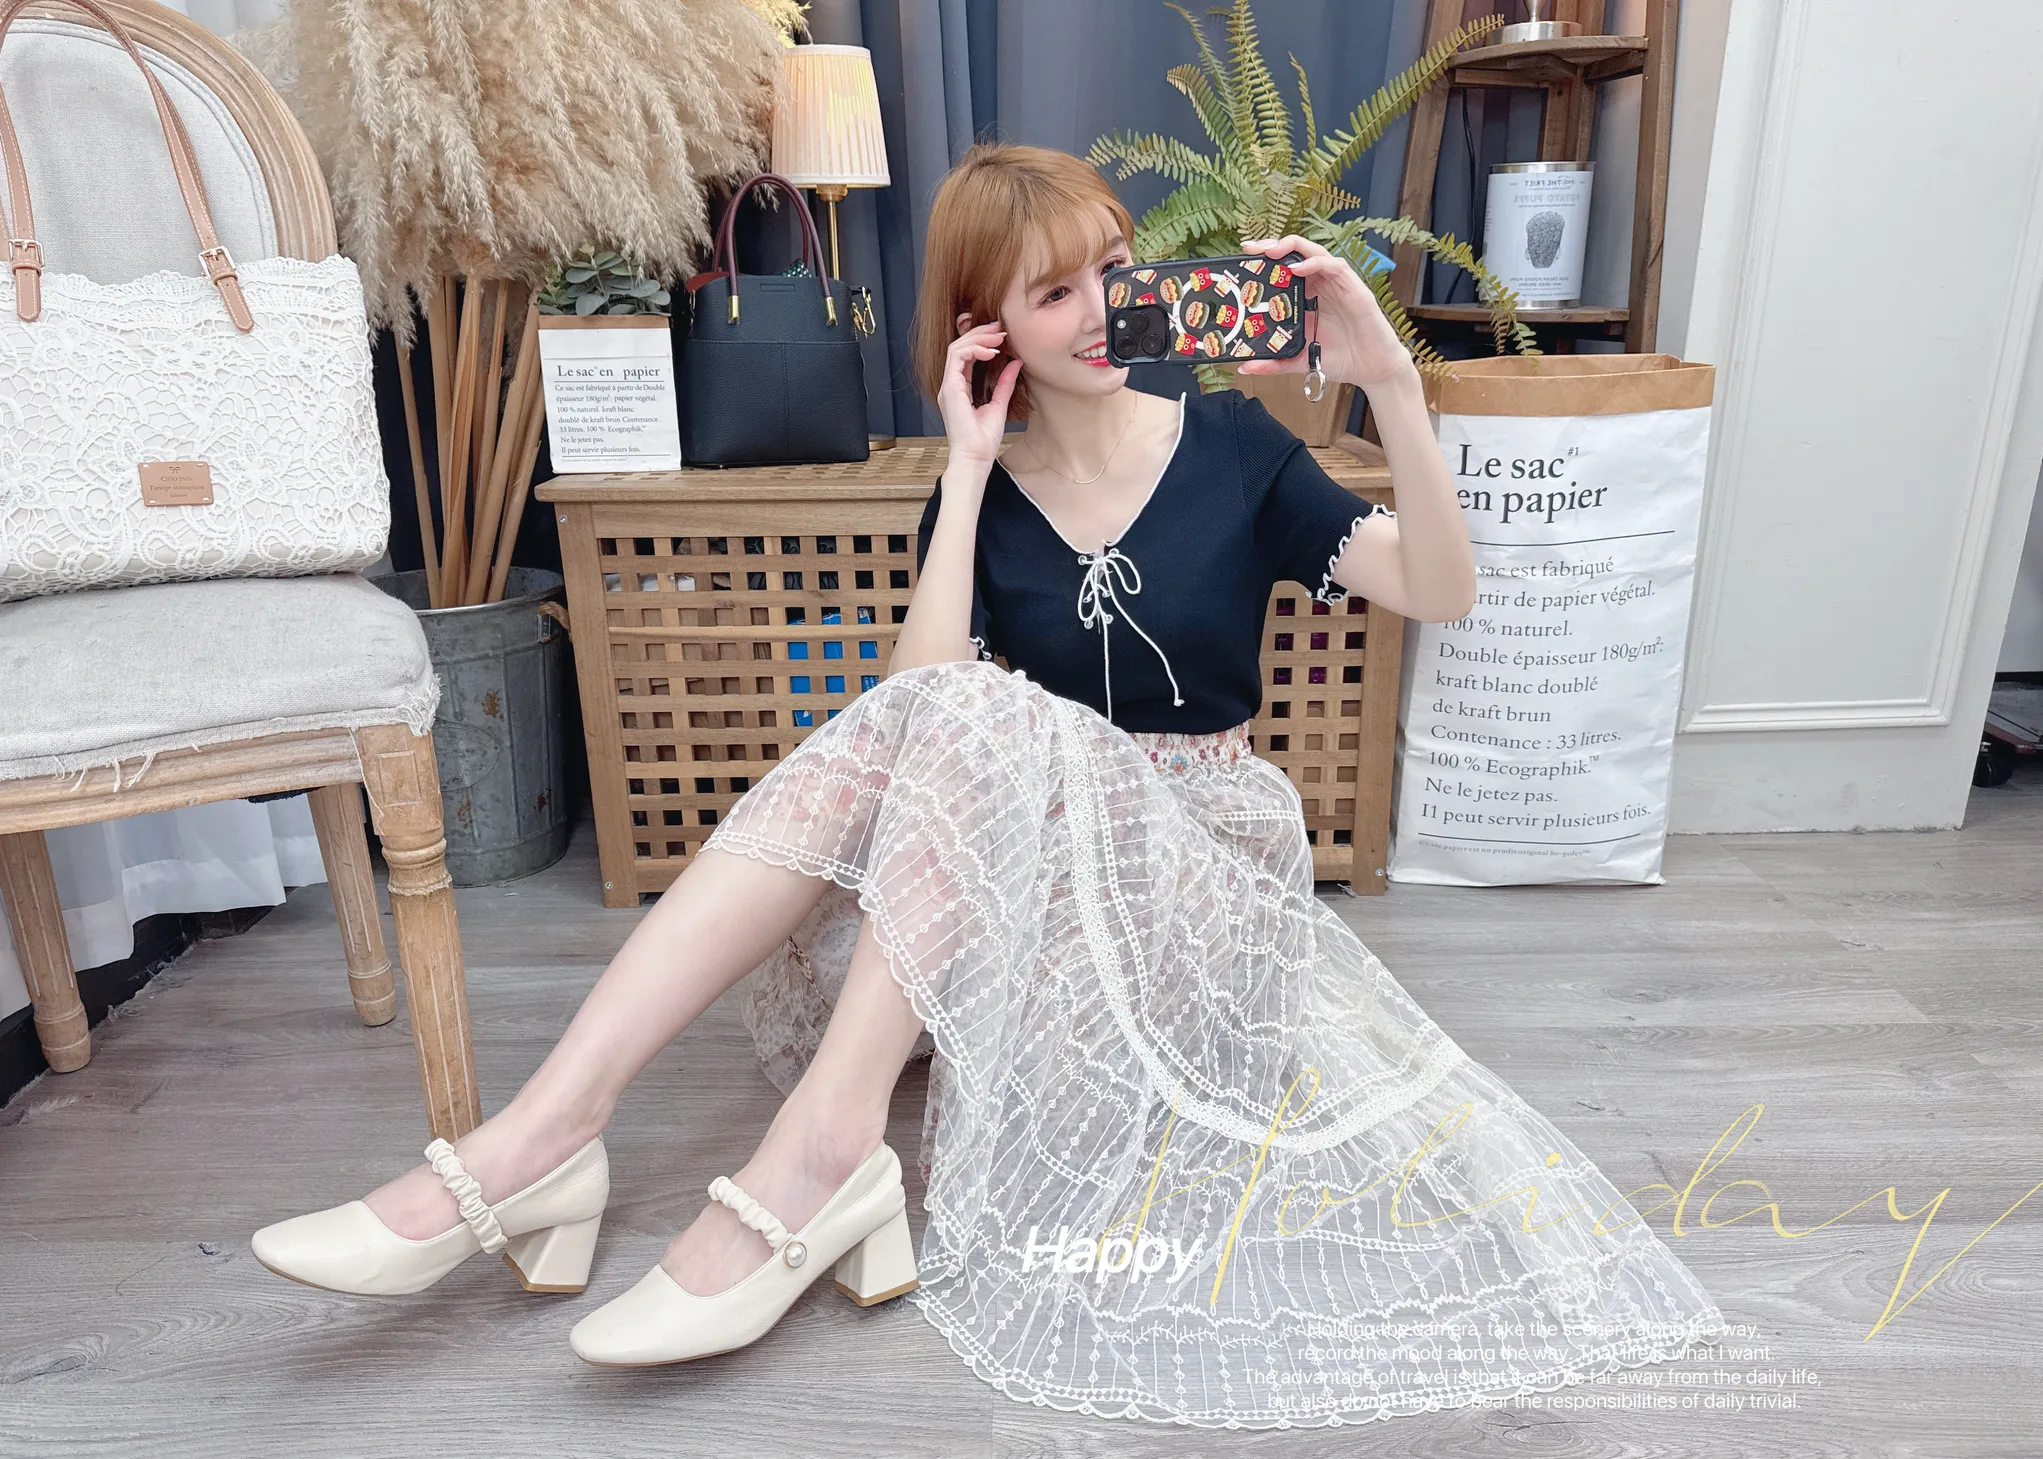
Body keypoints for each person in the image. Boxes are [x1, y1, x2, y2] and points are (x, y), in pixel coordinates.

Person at [252, 143, 1725, 1425]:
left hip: (1198, 877)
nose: (1103, 311)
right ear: (986, 327)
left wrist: (1388, 376)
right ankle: (562, 1131)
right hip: (1034, 873)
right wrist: (964, 469)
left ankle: (752, 1150)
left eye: (1114, 270)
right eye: (1054, 291)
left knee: (971, 716)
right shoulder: (989, 494)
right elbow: (917, 722)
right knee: (954, 712)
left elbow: (1442, 593)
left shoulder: (1232, 446)